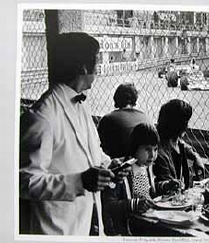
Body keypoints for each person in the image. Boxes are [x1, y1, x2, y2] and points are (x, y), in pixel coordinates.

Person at [19, 32, 128, 235]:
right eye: (96, 59)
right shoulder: (42, 115)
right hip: (55, 231)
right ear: (83, 67)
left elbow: (90, 154)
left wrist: (110, 165)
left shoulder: (80, 105)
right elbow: (24, 181)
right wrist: (78, 182)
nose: (98, 66)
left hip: (85, 225)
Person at [101, 123, 160, 235]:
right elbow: (109, 205)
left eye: (155, 149)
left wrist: (165, 185)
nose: (152, 155)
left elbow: (146, 190)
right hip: (127, 228)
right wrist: (134, 204)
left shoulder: (146, 166)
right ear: (135, 147)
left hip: (146, 220)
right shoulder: (120, 169)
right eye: (147, 149)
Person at [153, 99, 205, 193]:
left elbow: (183, 145)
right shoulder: (160, 154)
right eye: (186, 122)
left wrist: (195, 156)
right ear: (178, 125)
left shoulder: (174, 141)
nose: (187, 126)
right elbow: (170, 188)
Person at [97, 82, 151, 159]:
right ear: (135, 98)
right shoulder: (145, 116)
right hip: (142, 161)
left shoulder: (107, 119)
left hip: (119, 164)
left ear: (116, 98)